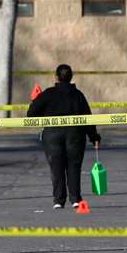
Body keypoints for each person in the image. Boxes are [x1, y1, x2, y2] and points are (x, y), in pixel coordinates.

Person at [26, 64, 101, 210]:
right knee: (73, 166)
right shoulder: (78, 95)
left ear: (56, 77)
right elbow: (87, 118)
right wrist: (94, 137)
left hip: (52, 135)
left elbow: (31, 115)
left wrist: (35, 99)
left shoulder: (48, 94)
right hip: (75, 135)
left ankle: (59, 200)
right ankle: (75, 199)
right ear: (71, 77)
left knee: (56, 167)